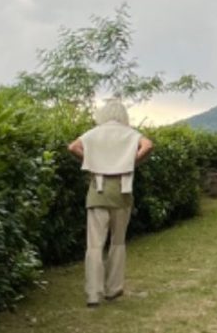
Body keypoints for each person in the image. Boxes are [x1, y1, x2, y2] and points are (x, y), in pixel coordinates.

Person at [67, 100, 154, 307]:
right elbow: (148, 145)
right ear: (123, 115)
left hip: (97, 192)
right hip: (121, 193)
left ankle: (93, 294)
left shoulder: (94, 133)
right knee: (117, 242)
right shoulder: (129, 133)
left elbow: (73, 147)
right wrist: (132, 161)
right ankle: (113, 289)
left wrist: (91, 162)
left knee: (95, 245)